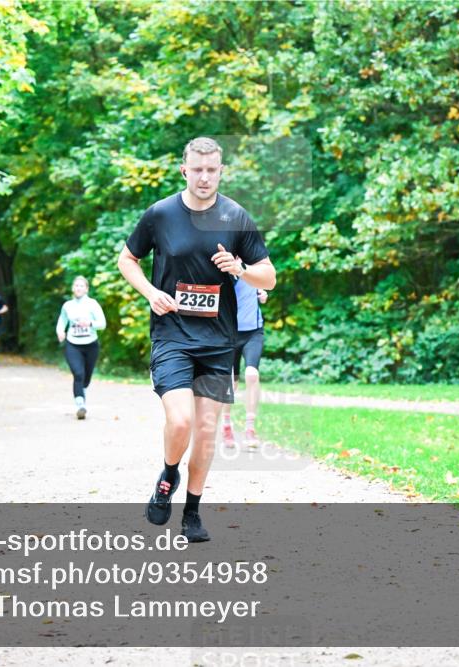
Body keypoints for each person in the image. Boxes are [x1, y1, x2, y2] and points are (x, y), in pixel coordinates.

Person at [117, 137, 275, 543]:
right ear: (184, 170)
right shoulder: (161, 214)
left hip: (218, 341)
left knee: (206, 430)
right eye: (197, 169)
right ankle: (169, 472)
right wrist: (151, 293)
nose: (204, 177)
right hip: (172, 334)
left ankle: (192, 512)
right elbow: (127, 260)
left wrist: (240, 269)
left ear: (221, 171)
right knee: (181, 420)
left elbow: (268, 277)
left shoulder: (236, 217)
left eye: (212, 170)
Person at [221, 277, 268, 446]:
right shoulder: (224, 269)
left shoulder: (251, 267)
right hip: (230, 333)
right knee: (230, 382)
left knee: (252, 374)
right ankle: (226, 425)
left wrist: (261, 292)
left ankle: (250, 429)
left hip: (253, 332)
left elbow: (263, 283)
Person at [56, 276, 107, 420]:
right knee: (78, 374)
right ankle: (80, 405)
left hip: (91, 345)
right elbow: (62, 321)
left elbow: (102, 323)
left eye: (81, 286)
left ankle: (81, 392)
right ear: (73, 288)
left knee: (86, 378)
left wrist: (89, 324)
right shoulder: (67, 305)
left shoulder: (93, 304)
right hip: (73, 344)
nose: (78, 288)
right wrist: (60, 331)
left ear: (86, 289)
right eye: (76, 286)